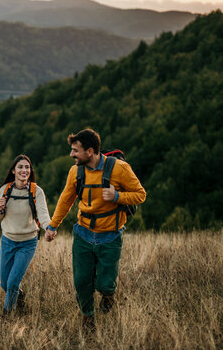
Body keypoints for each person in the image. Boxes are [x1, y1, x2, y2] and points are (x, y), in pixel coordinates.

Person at [45, 129, 146, 328]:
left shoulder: (120, 169)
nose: (71, 155)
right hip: (83, 233)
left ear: (90, 151)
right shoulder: (75, 171)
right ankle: (88, 317)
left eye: (75, 150)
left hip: (110, 236)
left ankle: (108, 295)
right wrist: (52, 226)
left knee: (104, 284)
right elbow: (66, 200)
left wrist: (117, 197)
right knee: (82, 282)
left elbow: (140, 194)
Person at [0, 154, 51, 316]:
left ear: (30, 171)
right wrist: (0, 208)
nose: (24, 170)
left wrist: (49, 228)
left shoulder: (36, 191)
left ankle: (7, 316)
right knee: (4, 284)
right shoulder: (4, 191)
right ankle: (20, 297)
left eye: (27, 167)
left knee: (12, 283)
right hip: (8, 241)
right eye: (20, 167)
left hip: (28, 243)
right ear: (13, 171)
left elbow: (43, 214)